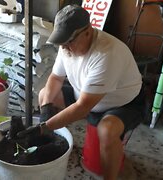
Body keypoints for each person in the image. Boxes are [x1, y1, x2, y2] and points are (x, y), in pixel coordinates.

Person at [17, 4, 145, 180]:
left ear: (87, 31)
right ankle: (49, 146)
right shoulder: (66, 47)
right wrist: (46, 111)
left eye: (69, 42)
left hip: (124, 103)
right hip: (85, 95)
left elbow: (83, 107)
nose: (65, 48)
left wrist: (44, 127)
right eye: (62, 43)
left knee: (106, 130)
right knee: (44, 94)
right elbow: (55, 78)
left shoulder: (106, 53)